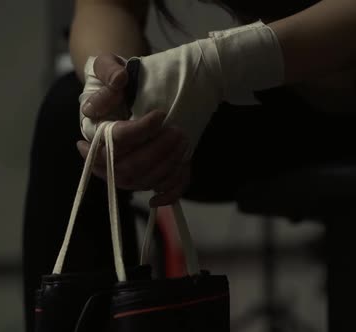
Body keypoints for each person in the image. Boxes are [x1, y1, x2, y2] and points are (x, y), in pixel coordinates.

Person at [23, 0, 355, 331]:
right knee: (69, 113)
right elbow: (108, 6)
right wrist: (117, 89)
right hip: (279, 97)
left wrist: (222, 63)